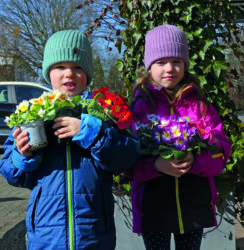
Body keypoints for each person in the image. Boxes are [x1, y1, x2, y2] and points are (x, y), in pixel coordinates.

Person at [0, 30, 140, 250]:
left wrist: (91, 132)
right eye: (60, 67)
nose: (69, 74)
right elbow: (14, 175)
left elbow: (126, 158)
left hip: (94, 234)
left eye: (77, 67)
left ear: (88, 73)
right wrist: (22, 154)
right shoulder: (32, 114)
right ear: (48, 73)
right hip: (46, 236)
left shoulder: (101, 112)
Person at [125, 24, 232, 250]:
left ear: (185, 64)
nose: (169, 68)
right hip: (153, 209)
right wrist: (156, 165)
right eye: (160, 62)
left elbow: (222, 150)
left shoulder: (200, 105)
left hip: (193, 206)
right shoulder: (138, 108)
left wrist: (196, 161)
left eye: (177, 61)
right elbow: (126, 160)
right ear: (149, 66)